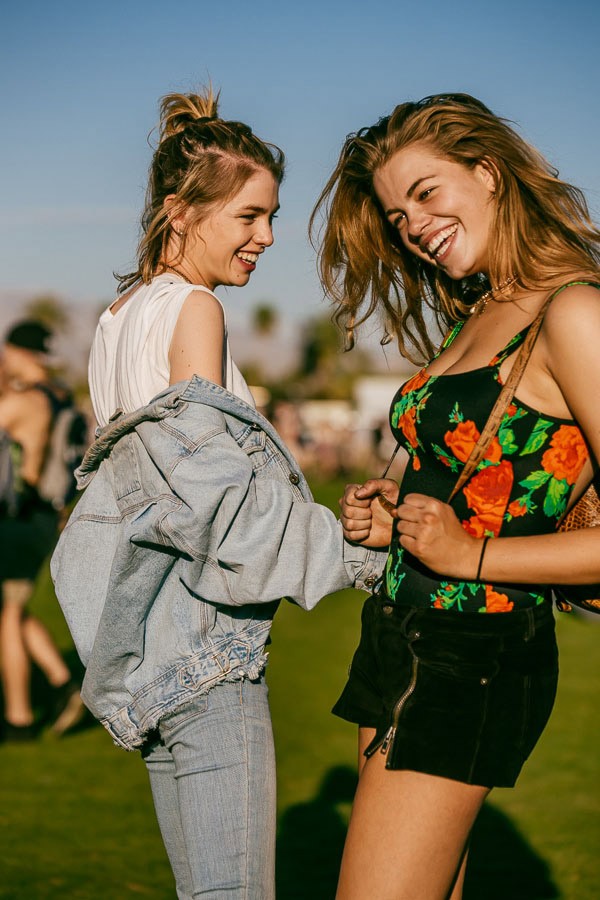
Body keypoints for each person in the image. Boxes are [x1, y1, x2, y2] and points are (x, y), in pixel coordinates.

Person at [51, 87, 384, 900]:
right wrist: (366, 555)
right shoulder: (194, 308)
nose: (266, 237)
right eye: (249, 216)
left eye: (271, 217)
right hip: (207, 650)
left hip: (146, 650)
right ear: (180, 213)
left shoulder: (114, 319)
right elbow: (218, 503)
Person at [311, 93, 600, 899]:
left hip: (472, 650)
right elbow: (470, 476)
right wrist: (392, 518)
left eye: (426, 193)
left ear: (489, 173)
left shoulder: (573, 310)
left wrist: (466, 552)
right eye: (398, 214)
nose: (414, 226)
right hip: (401, 631)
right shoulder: (480, 308)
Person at [0, 320, 84, 740]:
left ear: (17, 352)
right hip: (44, 517)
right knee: (10, 609)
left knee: (9, 613)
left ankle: (19, 717)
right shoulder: (60, 395)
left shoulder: (25, 401)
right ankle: (61, 681)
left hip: (20, 518)